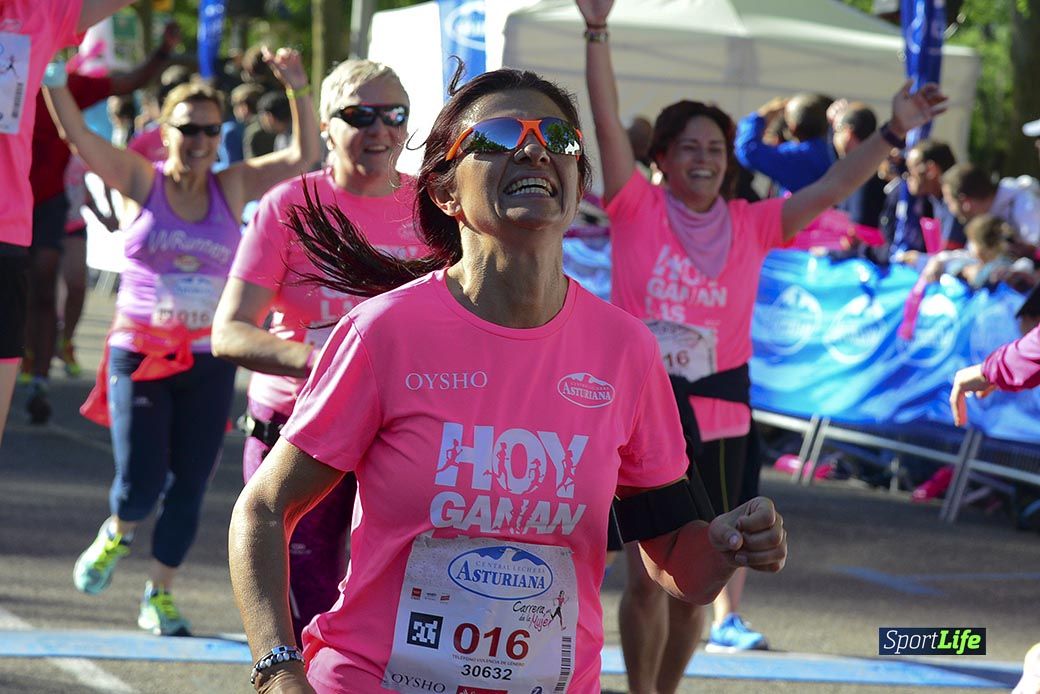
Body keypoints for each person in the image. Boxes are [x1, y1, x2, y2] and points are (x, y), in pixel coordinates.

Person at [228, 65, 788, 693]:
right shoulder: (384, 332)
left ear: (578, 185)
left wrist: (725, 542)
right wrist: (278, 672)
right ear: (445, 191)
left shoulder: (626, 350)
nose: (534, 148)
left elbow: (677, 563)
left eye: (559, 138)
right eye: (498, 136)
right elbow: (264, 508)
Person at [577, 0, 946, 689]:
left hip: (721, 423)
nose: (704, 159)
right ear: (659, 159)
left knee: (695, 583)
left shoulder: (754, 223)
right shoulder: (636, 205)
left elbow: (839, 181)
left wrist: (894, 127)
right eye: (688, 146)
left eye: (715, 148)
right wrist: (597, 32)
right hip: (638, 418)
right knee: (647, 581)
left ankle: (663, 688)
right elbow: (604, 119)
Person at [43, 46, 319, 635]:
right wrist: (49, 73)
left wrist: (297, 86)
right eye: (188, 128)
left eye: (210, 130)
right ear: (164, 132)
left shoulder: (233, 184)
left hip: (207, 357)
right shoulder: (140, 179)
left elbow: (305, 156)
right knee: (141, 483)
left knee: (190, 484)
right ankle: (119, 528)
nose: (199, 140)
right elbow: (76, 137)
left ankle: (158, 594)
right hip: (139, 349)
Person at [211, 59, 426, 645]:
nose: (379, 129)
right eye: (359, 115)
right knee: (304, 608)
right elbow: (229, 331)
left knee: (396, 604)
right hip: (298, 426)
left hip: (400, 430)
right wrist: (328, 364)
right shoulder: (290, 206)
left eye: (393, 115)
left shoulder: (434, 209)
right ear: (325, 127)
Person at [22, 21, 180, 423]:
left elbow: (126, 83)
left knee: (44, 283)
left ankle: (39, 376)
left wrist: (162, 52)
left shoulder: (67, 82)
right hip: (8, 197)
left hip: (49, 200)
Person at [0, 0, 136, 451]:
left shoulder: (36, 12)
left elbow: (126, 78)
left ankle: (41, 372)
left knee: (51, 288)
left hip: (10, 226)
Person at [735, 92, 834, 195]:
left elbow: (748, 150)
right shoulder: (837, 152)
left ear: (793, 128)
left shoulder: (798, 157)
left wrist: (762, 116)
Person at [941, 162, 1040, 248]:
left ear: (965, 202)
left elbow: (1036, 252)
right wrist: (942, 259)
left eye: (950, 203)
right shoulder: (984, 217)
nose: (950, 210)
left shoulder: (1024, 207)